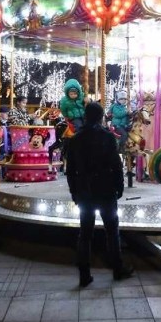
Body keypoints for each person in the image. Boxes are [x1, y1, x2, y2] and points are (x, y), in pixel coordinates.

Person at [66, 102, 134, 287]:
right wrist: (119, 186)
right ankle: (117, 268)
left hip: (85, 191)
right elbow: (116, 165)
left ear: (86, 116)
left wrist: (74, 191)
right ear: (101, 116)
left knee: (85, 234)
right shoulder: (108, 137)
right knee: (112, 231)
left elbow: (70, 170)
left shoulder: (76, 139)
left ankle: (84, 273)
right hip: (105, 189)